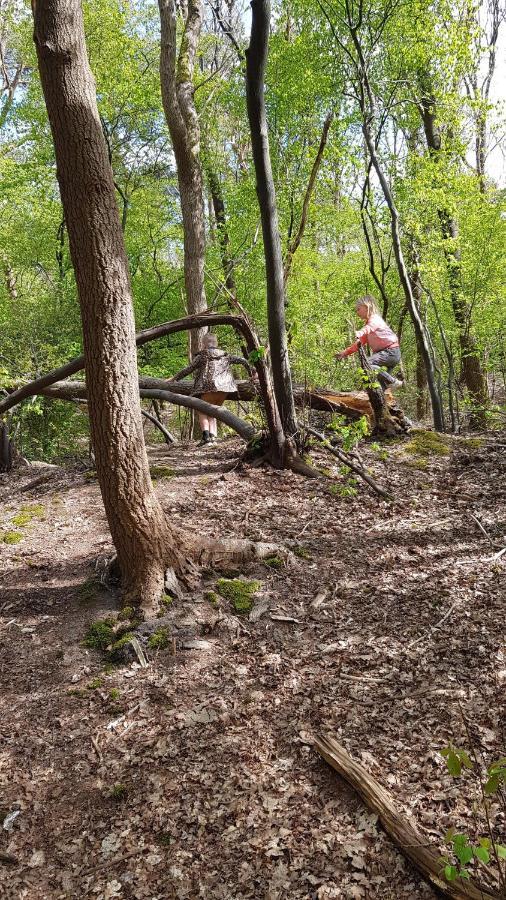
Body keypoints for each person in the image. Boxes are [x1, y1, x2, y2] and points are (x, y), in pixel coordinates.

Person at [170, 333, 252, 446]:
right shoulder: (226, 355)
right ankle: (213, 438)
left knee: (202, 412)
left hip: (208, 387)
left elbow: (189, 369)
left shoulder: (203, 355)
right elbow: (244, 360)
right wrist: (253, 374)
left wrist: (174, 378)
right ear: (216, 343)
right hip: (225, 388)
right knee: (213, 413)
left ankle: (206, 437)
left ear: (203, 345)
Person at [335, 295, 403, 389]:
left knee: (368, 364)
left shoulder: (375, 319)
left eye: (358, 309)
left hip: (390, 352)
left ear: (367, 307)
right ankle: (382, 401)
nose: (357, 312)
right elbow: (359, 343)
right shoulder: (369, 324)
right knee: (380, 384)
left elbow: (368, 328)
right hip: (389, 354)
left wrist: (359, 332)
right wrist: (345, 353)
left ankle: (393, 381)